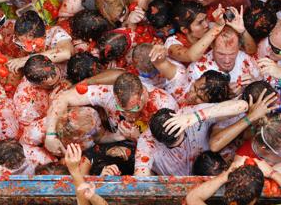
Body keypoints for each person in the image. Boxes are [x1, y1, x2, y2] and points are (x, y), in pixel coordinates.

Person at [46, 72, 178, 155]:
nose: (127, 115)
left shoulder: (164, 105)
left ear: (143, 95)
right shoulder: (107, 93)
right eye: (120, 108)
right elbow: (63, 98)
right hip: (113, 140)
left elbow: (171, 149)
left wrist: (139, 138)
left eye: (132, 109)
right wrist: (50, 135)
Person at [135, 99, 248, 176]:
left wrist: (195, 117)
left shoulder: (189, 114)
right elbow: (140, 180)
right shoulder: (147, 142)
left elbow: (243, 105)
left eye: (181, 138)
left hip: (210, 175)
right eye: (171, 146)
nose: (180, 146)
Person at [186, 156, 281, 205]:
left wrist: (226, 175)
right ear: (256, 198)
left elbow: (192, 197)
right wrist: (272, 173)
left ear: (229, 190)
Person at [187, 26, 260, 96]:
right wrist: (224, 97)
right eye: (221, 54)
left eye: (232, 54)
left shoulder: (249, 62)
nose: (227, 61)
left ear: (239, 47)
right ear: (211, 45)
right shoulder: (196, 71)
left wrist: (254, 86)